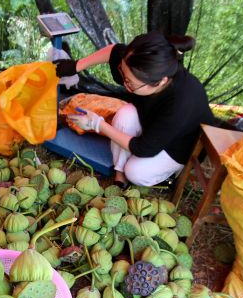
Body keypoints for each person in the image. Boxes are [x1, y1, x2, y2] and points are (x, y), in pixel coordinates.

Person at [54, 31, 214, 188]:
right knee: (124, 115)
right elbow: (113, 51)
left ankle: (169, 173)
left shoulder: (182, 102)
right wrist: (76, 66)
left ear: (160, 82)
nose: (124, 83)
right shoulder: (137, 61)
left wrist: (97, 124)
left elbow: (143, 148)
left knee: (136, 172)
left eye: (130, 83)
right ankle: (119, 172)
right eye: (123, 74)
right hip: (151, 122)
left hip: (177, 146)